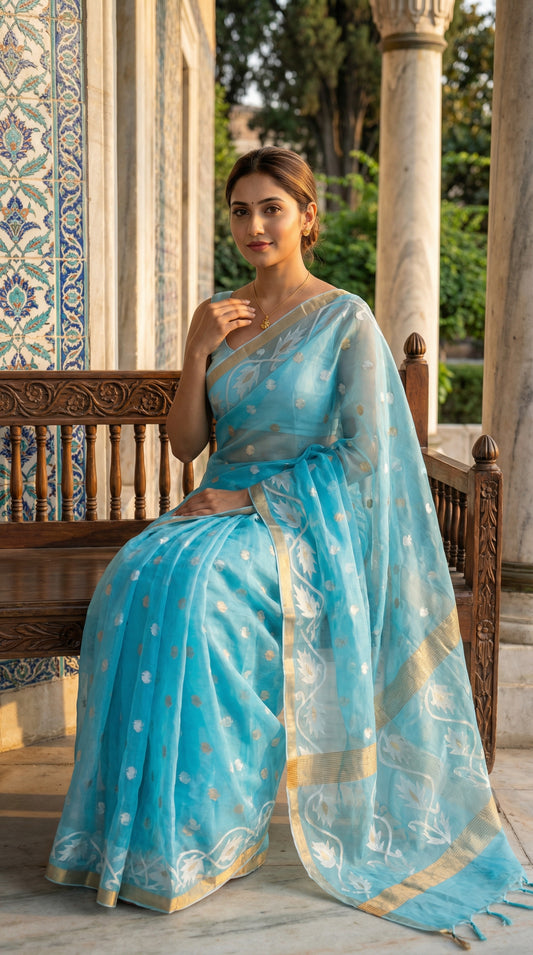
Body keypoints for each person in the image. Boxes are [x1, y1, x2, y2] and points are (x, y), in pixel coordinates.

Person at [47, 147, 530, 943]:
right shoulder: (221, 313)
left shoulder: (344, 319)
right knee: (135, 577)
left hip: (302, 523)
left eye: (271, 208)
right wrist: (198, 349)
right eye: (240, 211)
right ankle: (132, 835)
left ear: (307, 216)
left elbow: (369, 458)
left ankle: (208, 835)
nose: (254, 225)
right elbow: (184, 445)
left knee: (202, 595)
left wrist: (253, 497)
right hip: (211, 506)